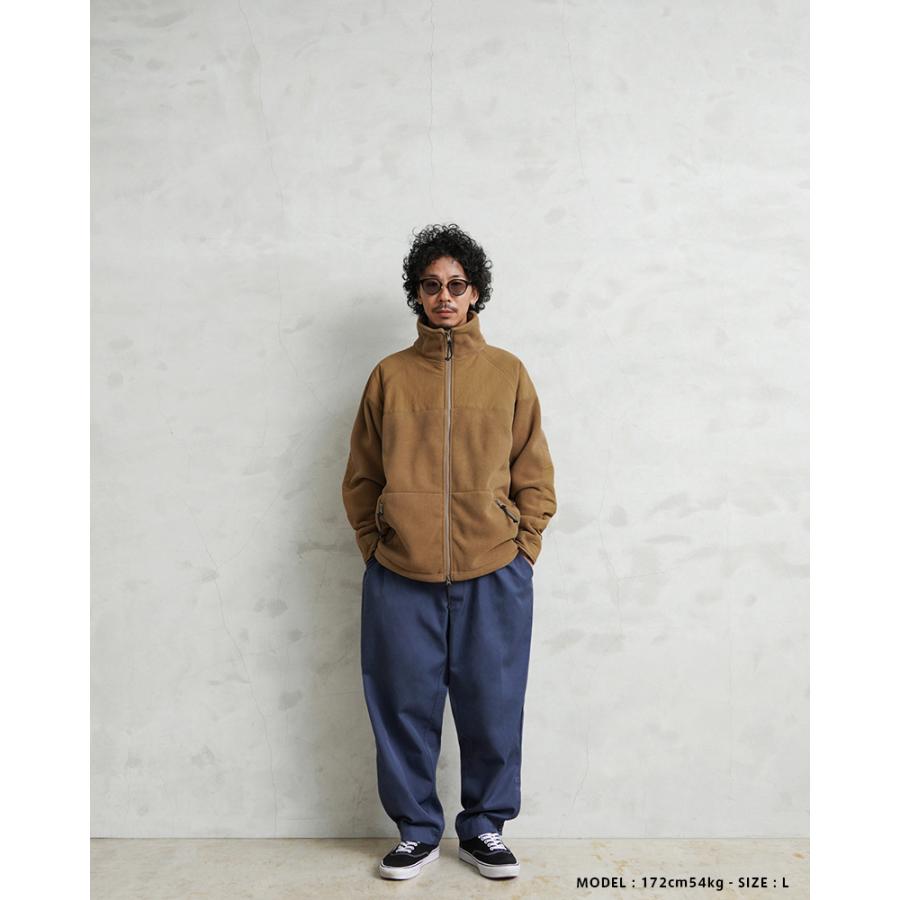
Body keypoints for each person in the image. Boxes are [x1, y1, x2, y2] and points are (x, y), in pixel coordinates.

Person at [341, 223, 557, 881]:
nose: (444, 297)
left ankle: (485, 827)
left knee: (494, 702)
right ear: (417, 294)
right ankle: (416, 832)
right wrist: (375, 544)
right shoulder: (389, 377)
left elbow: (534, 474)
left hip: (494, 568)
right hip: (400, 572)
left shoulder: (507, 373)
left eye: (456, 286)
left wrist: (524, 546)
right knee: (401, 705)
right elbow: (361, 477)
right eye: (432, 286)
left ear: (475, 293)